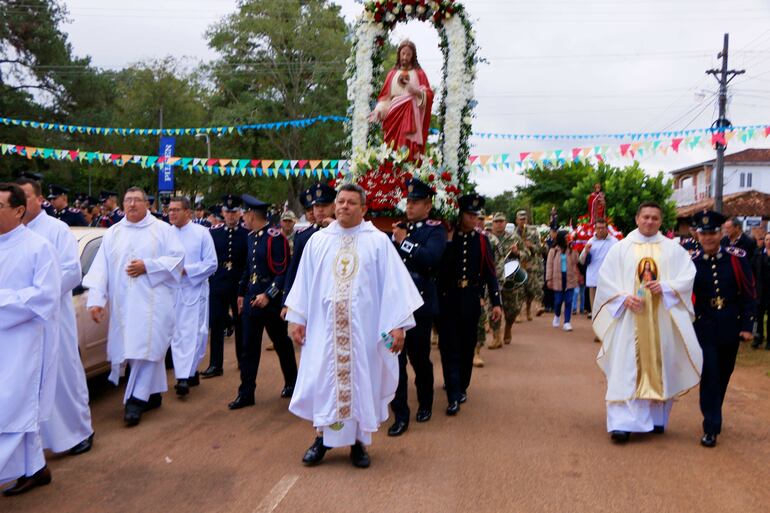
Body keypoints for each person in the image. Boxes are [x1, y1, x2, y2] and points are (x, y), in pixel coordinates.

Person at [286, 183, 423, 468]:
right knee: (324, 383)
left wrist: (397, 326)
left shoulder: (377, 241)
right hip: (325, 332)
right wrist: (297, 318)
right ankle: (322, 439)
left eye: (351, 202)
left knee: (362, 383)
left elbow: (394, 287)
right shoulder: (318, 241)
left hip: (363, 332)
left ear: (363, 208)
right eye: (340, 202)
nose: (344, 206)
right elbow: (304, 282)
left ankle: (358, 443)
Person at [593, 201, 702, 443]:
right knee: (625, 367)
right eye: (646, 217)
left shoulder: (673, 250)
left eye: (655, 218)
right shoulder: (621, 248)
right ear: (637, 219)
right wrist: (622, 298)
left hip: (661, 318)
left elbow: (687, 277)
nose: (650, 221)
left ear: (661, 221)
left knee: (660, 362)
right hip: (628, 319)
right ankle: (621, 424)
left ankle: (655, 419)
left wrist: (666, 287)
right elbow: (606, 281)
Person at [83, 187, 185, 426]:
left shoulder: (163, 230)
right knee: (134, 351)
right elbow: (100, 269)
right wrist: (96, 300)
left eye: (137, 201)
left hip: (154, 304)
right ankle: (152, 395)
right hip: (123, 305)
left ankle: (135, 401)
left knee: (150, 350)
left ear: (147, 204)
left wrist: (148, 266)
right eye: (127, 200)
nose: (131, 205)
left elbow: (177, 259)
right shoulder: (113, 233)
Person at [16, 178, 94, 457]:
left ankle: (79, 431)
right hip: (19, 321)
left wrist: (36, 294)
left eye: (25, 197)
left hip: (52, 316)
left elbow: (72, 272)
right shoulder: (11, 232)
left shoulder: (56, 230)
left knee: (63, 376)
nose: (21, 203)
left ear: (39, 200)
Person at [0, 183, 61, 496]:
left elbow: (45, 297)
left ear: (19, 210)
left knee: (11, 407)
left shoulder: (38, 247)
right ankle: (35, 468)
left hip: (23, 344)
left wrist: (2, 301)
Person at [386, 178, 447, 437]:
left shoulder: (436, 229)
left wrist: (404, 242)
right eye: (408, 201)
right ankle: (400, 413)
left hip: (420, 303)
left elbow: (431, 259)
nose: (409, 206)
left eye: (416, 202)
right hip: (396, 303)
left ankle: (425, 401)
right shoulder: (398, 229)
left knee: (419, 358)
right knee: (394, 358)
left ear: (428, 205)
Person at [691, 210, 756, 447]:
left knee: (724, 374)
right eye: (703, 234)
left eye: (712, 233)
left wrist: (748, 326)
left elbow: (749, 295)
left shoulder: (737, 258)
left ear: (721, 234)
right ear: (698, 236)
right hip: (704, 326)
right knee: (710, 374)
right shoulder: (692, 262)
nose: (708, 238)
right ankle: (711, 427)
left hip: (731, 325)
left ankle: (713, 411)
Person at [228, 195, 297, 410]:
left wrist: (268, 295)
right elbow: (249, 269)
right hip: (251, 301)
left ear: (250, 215)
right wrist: (241, 293)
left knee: (281, 343)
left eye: (244, 215)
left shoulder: (275, 237)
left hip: (271, 303)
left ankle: (292, 383)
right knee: (249, 347)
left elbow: (282, 272)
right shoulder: (251, 237)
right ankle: (246, 392)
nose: (243, 218)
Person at [438, 194, 502, 417]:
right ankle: (453, 395)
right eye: (469, 214)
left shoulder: (482, 241)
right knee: (449, 348)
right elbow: (440, 269)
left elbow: (490, 273)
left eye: (476, 215)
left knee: (467, 347)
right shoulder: (448, 236)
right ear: (460, 214)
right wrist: (446, 242)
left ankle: (462, 386)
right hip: (449, 298)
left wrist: (496, 302)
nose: (474, 219)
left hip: (471, 299)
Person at [168, 197, 218, 396]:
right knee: (175, 334)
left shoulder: (201, 233)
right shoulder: (165, 233)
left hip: (194, 290)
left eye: (176, 210)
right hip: (171, 291)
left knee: (193, 333)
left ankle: (185, 376)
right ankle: (184, 373)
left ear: (187, 212)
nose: (171, 213)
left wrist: (186, 271)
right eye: (169, 209)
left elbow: (211, 263)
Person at [202, 196, 249, 378]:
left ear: (240, 213)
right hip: (218, 284)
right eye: (227, 212)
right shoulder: (213, 233)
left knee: (240, 324)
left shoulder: (246, 234)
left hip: (238, 285)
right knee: (217, 323)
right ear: (222, 213)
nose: (230, 215)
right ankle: (215, 364)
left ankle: (242, 360)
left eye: (234, 212)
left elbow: (249, 262)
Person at [369, 39, 434, 161]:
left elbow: (429, 94)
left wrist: (417, 92)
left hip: (412, 118)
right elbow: (385, 97)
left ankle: (409, 167)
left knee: (408, 147)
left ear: (413, 56)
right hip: (394, 117)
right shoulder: (392, 74)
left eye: (408, 54)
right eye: (403, 53)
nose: (405, 57)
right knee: (392, 147)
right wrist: (378, 110)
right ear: (399, 54)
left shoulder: (419, 74)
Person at [282, 183, 337, 311]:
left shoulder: (344, 232)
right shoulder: (303, 237)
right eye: (316, 206)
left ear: (334, 207)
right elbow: (294, 269)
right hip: (311, 299)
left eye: (324, 205)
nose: (320, 210)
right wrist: (286, 303)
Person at [487, 212, 526, 349]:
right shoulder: (488, 238)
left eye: (501, 221)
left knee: (513, 309)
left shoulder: (514, 238)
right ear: (493, 223)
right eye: (496, 221)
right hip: (494, 278)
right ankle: (496, 336)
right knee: (494, 307)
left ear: (505, 222)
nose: (499, 224)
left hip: (510, 279)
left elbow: (527, 254)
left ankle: (508, 326)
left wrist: (517, 253)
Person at [579, 218, 618, 327]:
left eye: (603, 228)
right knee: (595, 307)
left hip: (609, 280)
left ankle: (608, 329)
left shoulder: (614, 242)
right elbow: (581, 260)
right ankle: (597, 330)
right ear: (595, 229)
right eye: (598, 228)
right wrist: (585, 251)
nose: (600, 230)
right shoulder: (590, 242)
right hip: (593, 280)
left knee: (608, 306)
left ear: (607, 228)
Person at [514, 210, 545, 320]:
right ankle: (518, 313)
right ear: (516, 220)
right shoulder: (513, 234)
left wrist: (531, 246)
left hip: (531, 265)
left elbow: (541, 249)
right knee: (518, 289)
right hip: (519, 265)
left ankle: (528, 309)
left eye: (524, 219)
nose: (522, 221)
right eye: (520, 219)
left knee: (530, 290)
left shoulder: (533, 232)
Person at [546, 231, 579, 331]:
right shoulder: (553, 250)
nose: (567, 239)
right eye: (565, 237)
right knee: (558, 301)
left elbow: (576, 261)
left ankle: (567, 322)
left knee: (569, 300)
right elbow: (549, 265)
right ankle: (557, 315)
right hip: (557, 278)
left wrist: (573, 249)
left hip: (569, 278)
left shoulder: (571, 249)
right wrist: (548, 279)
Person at [752, 232, 770, 350]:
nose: (768, 241)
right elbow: (751, 269)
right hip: (760, 290)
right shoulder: (758, 253)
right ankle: (758, 338)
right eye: (767, 239)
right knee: (758, 316)